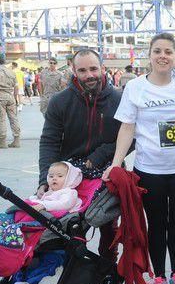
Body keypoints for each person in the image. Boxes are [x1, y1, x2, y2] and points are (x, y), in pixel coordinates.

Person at [103, 33, 175, 284]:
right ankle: (159, 276)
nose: (162, 56)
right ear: (150, 55)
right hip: (149, 169)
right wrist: (116, 163)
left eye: (168, 51)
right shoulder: (135, 87)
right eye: (157, 51)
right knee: (156, 223)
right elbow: (127, 127)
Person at [39, 49, 123, 262]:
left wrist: (100, 154)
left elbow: (132, 137)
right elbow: (49, 142)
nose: (89, 75)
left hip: (107, 171)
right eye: (82, 70)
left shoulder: (120, 99)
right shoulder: (60, 101)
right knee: (68, 230)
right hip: (69, 176)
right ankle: (71, 276)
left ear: (102, 69)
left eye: (94, 69)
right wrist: (44, 180)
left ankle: (108, 269)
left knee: (109, 226)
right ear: (74, 71)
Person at [0, 54, 21, 149]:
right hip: (10, 96)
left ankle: (2, 142)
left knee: (0, 118)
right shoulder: (11, 71)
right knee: (13, 118)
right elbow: (16, 86)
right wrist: (15, 98)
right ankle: (16, 140)